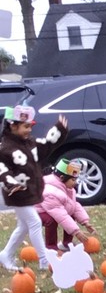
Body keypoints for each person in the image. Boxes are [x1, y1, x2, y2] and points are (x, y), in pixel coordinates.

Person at [0, 106, 69, 271]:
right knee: (35, 222)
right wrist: (11, 184)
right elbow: (2, 169)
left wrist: (58, 130)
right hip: (17, 193)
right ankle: (44, 260)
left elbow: (46, 144)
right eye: (25, 127)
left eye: (31, 126)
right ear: (13, 126)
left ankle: (5, 254)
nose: (29, 130)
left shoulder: (29, 143)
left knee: (24, 226)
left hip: (28, 192)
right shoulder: (5, 149)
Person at [36, 158, 95, 251]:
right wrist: (76, 232)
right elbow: (61, 215)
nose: (75, 183)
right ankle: (51, 248)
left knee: (70, 213)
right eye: (73, 180)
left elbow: (73, 206)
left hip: (53, 210)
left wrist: (85, 222)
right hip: (37, 212)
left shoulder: (68, 188)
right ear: (62, 178)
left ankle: (67, 244)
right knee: (51, 220)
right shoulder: (50, 192)